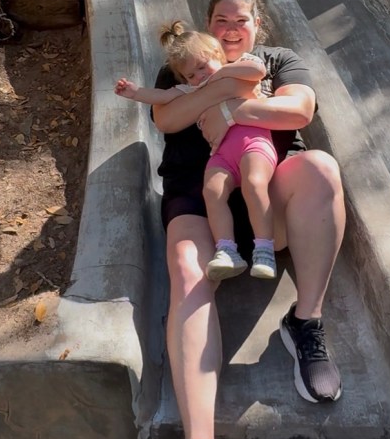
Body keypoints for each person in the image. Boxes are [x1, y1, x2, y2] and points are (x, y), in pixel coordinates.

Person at [145, 0, 346, 439]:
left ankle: (305, 322)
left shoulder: (277, 61)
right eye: (221, 20)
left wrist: (222, 101)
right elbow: (166, 120)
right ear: (207, 25)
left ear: (258, 25)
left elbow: (298, 111)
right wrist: (227, 92)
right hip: (199, 195)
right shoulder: (184, 59)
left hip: (267, 198)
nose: (231, 29)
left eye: (241, 20)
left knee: (321, 168)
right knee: (187, 270)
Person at [115, 21, 278, 281]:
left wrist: (220, 74)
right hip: (222, 154)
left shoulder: (237, 68)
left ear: (218, 54)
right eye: (191, 75)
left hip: (252, 143)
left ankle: (264, 249)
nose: (199, 76)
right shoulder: (193, 88)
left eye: (202, 67)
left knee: (254, 183)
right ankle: (227, 250)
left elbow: (258, 70)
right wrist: (135, 93)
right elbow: (163, 97)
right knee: (211, 191)